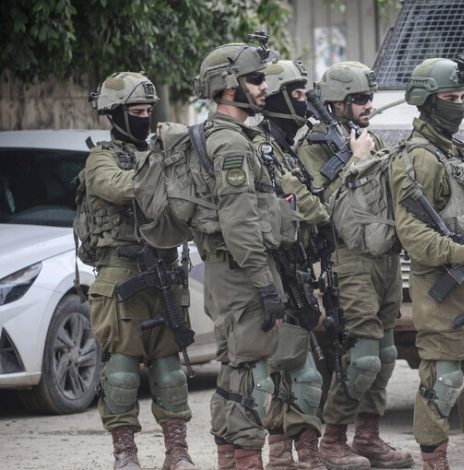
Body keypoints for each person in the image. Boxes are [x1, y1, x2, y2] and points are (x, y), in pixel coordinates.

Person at [388, 57, 464, 470]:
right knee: (443, 379)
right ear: (427, 101)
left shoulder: (456, 150)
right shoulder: (419, 158)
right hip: (441, 287)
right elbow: (412, 234)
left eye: (461, 97)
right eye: (449, 98)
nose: (458, 106)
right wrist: (462, 255)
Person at [297, 61, 414, 470]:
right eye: (360, 99)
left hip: (384, 257)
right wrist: (354, 160)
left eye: (369, 97)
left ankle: (368, 436)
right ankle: (332, 439)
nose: (369, 105)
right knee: (362, 358)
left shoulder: (369, 138)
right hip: (348, 258)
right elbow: (319, 207)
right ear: (336, 103)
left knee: (385, 354)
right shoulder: (312, 145)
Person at [190, 42, 295, 470]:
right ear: (228, 86)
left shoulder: (226, 136)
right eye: (255, 79)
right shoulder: (231, 145)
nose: (264, 86)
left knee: (235, 371)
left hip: (230, 271)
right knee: (251, 375)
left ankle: (232, 460)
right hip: (244, 273)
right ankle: (247, 460)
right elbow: (239, 224)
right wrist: (266, 285)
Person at [85, 72, 196, 470]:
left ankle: (177, 451)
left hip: (164, 271)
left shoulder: (158, 156)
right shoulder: (101, 158)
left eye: (149, 110)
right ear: (115, 114)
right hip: (121, 275)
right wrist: (160, 160)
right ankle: (125, 453)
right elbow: (122, 187)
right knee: (122, 372)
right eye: (136, 112)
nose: (145, 118)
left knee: (170, 370)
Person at [251, 58, 332, 470]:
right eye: (297, 95)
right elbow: (308, 207)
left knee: (296, 369)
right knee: (288, 371)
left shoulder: (286, 148)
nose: (303, 103)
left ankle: (293, 453)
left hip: (295, 267)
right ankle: (286, 452)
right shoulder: (260, 146)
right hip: (271, 271)